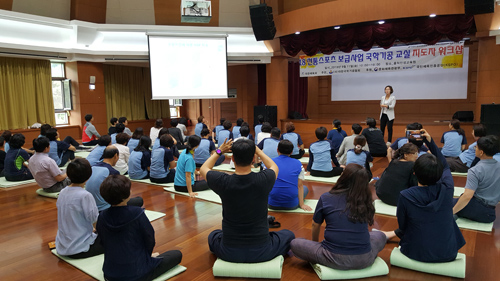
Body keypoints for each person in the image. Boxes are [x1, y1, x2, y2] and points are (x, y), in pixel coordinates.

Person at [200, 138, 295, 263]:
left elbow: (203, 168)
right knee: (289, 235)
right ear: (253, 159)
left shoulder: (222, 181)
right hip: (262, 251)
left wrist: (219, 151)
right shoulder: (264, 179)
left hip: (228, 251)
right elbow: (273, 166)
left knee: (213, 235)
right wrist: (258, 151)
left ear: (233, 159)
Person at [383, 129, 465, 263]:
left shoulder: (405, 195)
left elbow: (403, 226)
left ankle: (387, 235)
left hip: (414, 252)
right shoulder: (448, 187)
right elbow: (444, 164)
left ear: (414, 173)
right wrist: (430, 141)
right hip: (448, 253)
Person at [290, 164, 387, 270]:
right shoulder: (367, 200)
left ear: (343, 178)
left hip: (332, 258)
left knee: (295, 243)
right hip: (364, 259)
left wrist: (315, 244)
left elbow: (315, 224)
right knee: (380, 235)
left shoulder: (326, 197)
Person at [97, 175, 182, 281]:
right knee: (176, 254)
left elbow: (102, 242)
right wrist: (147, 257)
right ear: (127, 194)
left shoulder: (102, 216)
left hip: (110, 274)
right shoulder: (137, 213)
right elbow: (150, 238)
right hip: (137, 273)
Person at [55, 158, 104, 259]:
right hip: (79, 248)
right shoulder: (85, 195)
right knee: (115, 238)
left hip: (63, 246)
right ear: (88, 176)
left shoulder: (63, 192)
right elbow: (95, 221)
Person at [453, 135, 500, 223]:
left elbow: (467, 196)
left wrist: (452, 212)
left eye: (476, 147)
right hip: (491, 213)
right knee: (460, 198)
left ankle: (456, 213)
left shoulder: (475, 170)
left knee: (447, 203)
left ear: (481, 152)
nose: (475, 149)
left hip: (478, 209)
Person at [86, 146, 143, 211]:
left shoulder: (93, 168)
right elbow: (118, 196)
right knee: (139, 201)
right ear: (116, 156)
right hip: (105, 208)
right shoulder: (113, 172)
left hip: (90, 205)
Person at [269, 140, 311, 211]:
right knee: (305, 188)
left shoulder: (270, 162)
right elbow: (299, 185)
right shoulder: (298, 163)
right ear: (291, 152)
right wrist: (302, 204)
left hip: (271, 204)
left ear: (277, 150)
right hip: (291, 205)